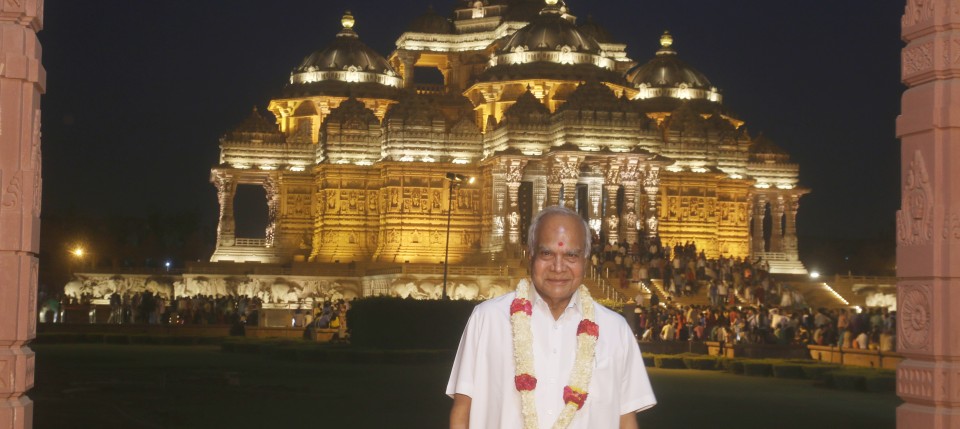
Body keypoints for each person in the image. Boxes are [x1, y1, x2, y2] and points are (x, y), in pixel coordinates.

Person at [447, 206, 656, 429]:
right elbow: (463, 410)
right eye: (547, 254)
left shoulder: (615, 330)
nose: (558, 267)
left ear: (586, 259)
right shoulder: (488, 319)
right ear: (530, 255)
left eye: (571, 255)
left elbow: (626, 420)